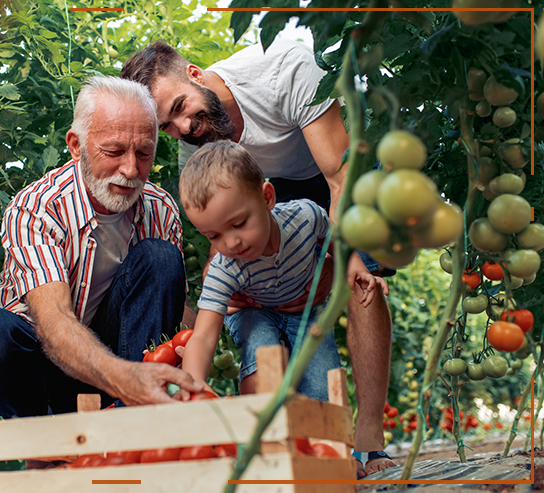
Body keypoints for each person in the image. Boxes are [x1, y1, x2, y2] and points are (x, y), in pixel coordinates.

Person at [122, 38, 396, 477]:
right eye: (167, 127)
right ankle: (294, 444)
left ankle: (369, 438)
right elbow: (220, 233)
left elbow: (339, 180)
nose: (184, 128)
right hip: (266, 188)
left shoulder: (284, 70)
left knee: (362, 278)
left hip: (337, 165)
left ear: (194, 73)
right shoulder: (199, 141)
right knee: (252, 288)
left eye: (180, 108)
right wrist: (213, 309)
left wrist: (344, 263)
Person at [0, 76, 205, 426]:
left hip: (125, 369)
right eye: (114, 151)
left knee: (160, 258)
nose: (131, 170)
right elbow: (54, 322)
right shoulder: (37, 207)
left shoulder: (160, 208)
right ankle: (44, 444)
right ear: (76, 145)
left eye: (144, 153)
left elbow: (171, 311)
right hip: (43, 372)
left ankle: (133, 424)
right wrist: (126, 377)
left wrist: (217, 318)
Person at [178, 141, 378, 403]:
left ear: (267, 198)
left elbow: (334, 240)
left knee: (321, 387)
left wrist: (355, 265)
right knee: (263, 352)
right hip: (254, 312)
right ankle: (259, 428)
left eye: (239, 224)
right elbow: (203, 336)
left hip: (304, 311)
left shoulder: (304, 217)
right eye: (214, 235)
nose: (231, 243)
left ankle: (321, 441)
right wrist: (193, 386)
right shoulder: (224, 269)